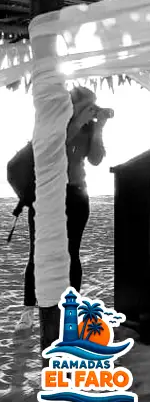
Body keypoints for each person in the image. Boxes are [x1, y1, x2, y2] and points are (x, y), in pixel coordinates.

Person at [16, 86, 110, 331]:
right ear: (73, 105)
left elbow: (97, 159)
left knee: (72, 253)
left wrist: (98, 129)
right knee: (38, 252)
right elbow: (57, 145)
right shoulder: (54, 123)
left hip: (77, 194)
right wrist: (78, 120)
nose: (93, 110)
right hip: (48, 194)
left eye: (95, 105)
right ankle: (28, 309)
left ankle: (73, 307)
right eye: (89, 105)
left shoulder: (90, 128)